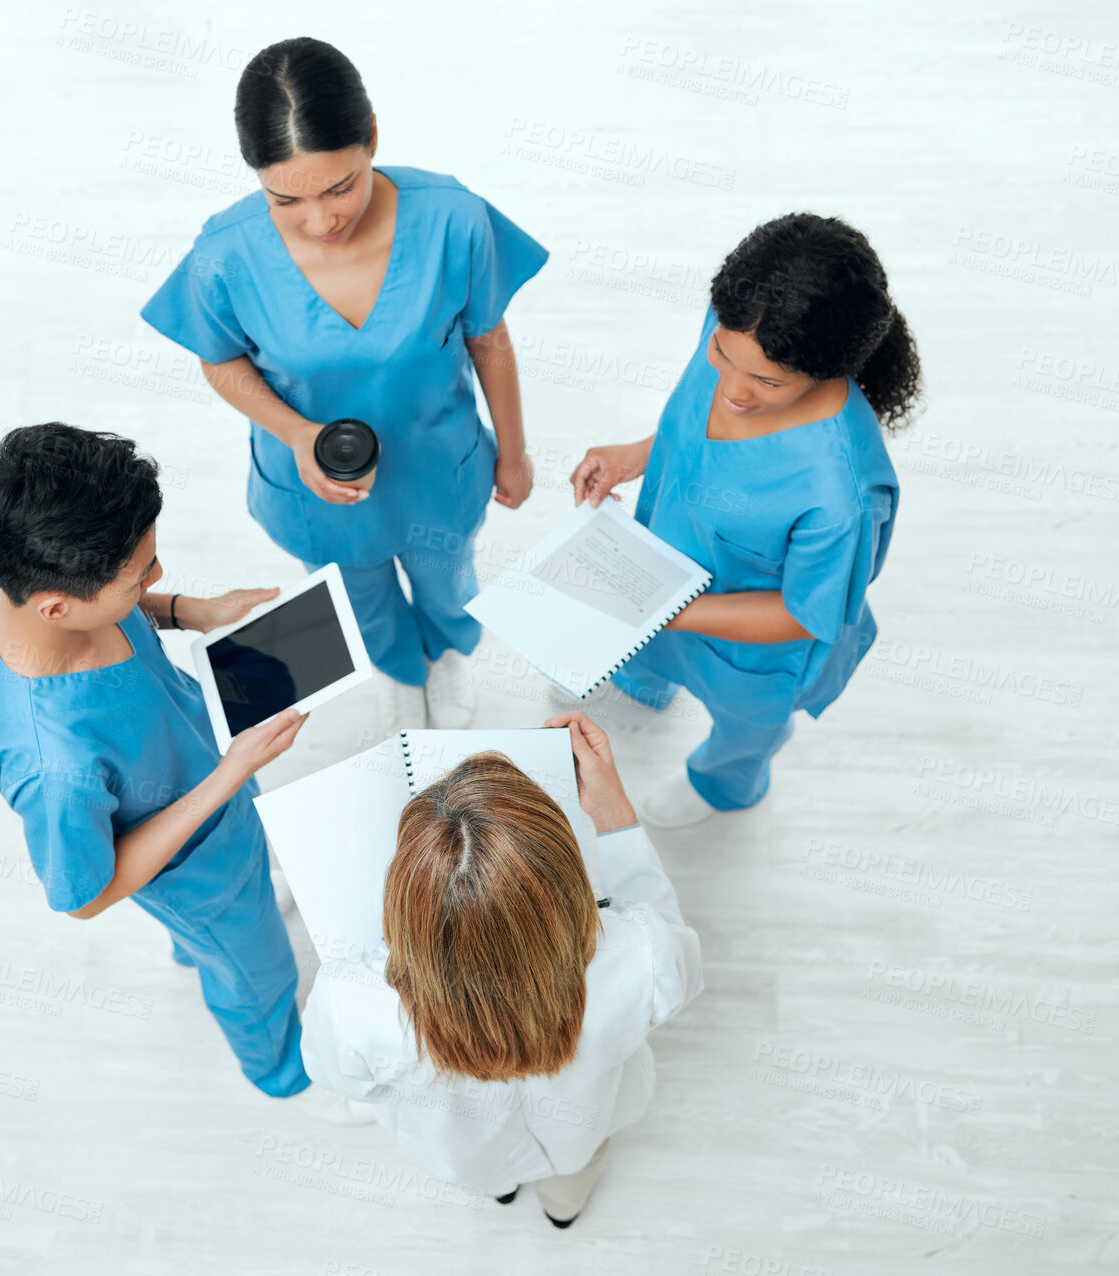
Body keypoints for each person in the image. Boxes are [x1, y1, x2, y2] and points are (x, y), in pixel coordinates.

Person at [0, 422, 370, 1123]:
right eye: (139, 577)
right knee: (256, 974)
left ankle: (201, 942)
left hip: (205, 772)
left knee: (244, 904)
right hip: (195, 870)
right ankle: (286, 1074)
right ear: (57, 605)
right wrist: (227, 777)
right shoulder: (53, 767)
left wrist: (188, 612)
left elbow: (113, 605)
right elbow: (84, 896)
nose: (155, 577)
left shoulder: (10, 563)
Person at [140, 37, 548, 735]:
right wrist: (297, 434)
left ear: (373, 141)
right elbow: (221, 360)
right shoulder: (224, 254)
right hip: (316, 485)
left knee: (448, 580)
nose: (321, 220)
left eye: (340, 187)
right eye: (285, 199)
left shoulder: (453, 218)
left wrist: (512, 451)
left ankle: (446, 653)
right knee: (359, 595)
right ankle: (398, 669)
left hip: (437, 466)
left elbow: (489, 339)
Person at [571, 213, 920, 828]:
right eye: (722, 357)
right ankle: (647, 684)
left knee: (745, 729)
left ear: (823, 367)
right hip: (658, 581)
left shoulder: (841, 492)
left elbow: (802, 614)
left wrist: (669, 608)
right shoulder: (739, 328)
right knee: (644, 659)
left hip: (749, 652)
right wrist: (633, 456)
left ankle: (724, 785)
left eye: (766, 381)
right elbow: (691, 429)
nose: (733, 387)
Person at [300, 711, 704, 1226]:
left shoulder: (351, 1004)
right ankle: (564, 1206)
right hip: (584, 1127)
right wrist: (615, 812)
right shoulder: (639, 952)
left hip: (463, 1154)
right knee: (573, 1175)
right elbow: (679, 962)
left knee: (491, 1176)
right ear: (565, 877)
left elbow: (333, 1074)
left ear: (405, 898)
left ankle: (504, 1191)